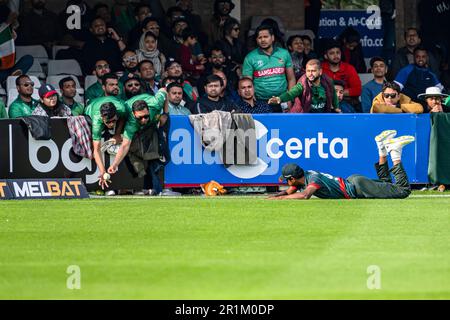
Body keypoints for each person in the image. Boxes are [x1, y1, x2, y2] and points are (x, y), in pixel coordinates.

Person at [269, 130, 415, 200]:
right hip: (353, 181)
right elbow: (290, 191)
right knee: (386, 184)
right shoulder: (304, 176)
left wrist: (281, 199)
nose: (287, 183)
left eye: (287, 180)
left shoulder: (313, 180)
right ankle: (381, 148)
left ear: (292, 178)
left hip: (357, 188)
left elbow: (306, 195)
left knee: (402, 191)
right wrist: (274, 197)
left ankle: (395, 152)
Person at [242, 25, 295, 113]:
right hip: (260, 101)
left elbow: (291, 78)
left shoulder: (284, 53)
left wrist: (290, 98)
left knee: (283, 125)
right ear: (256, 40)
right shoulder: (250, 57)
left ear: (272, 38)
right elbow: (247, 82)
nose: (263, 40)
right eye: (260, 37)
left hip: (282, 99)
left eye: (266, 37)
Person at [268, 59, 339, 113]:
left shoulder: (328, 82)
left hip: (322, 117)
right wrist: (280, 99)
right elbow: (291, 93)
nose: (310, 74)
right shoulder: (302, 84)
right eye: (308, 71)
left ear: (320, 72)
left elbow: (334, 96)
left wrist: (336, 107)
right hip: (304, 116)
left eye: (313, 71)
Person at [321, 40, 362, 111]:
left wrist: (338, 93)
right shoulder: (320, 69)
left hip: (346, 101)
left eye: (338, 52)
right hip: (325, 101)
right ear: (326, 56)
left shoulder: (349, 68)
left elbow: (357, 90)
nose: (336, 55)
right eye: (331, 53)